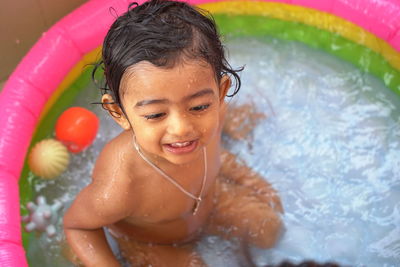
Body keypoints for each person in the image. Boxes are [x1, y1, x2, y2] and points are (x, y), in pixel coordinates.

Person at [63, 0, 283, 266]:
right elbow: (78, 225)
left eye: (199, 106)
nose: (182, 128)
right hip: (155, 242)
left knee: (270, 229)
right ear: (119, 113)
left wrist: (254, 182)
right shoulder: (122, 183)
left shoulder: (214, 117)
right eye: (156, 114)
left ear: (221, 93)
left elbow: (218, 156)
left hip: (212, 200)